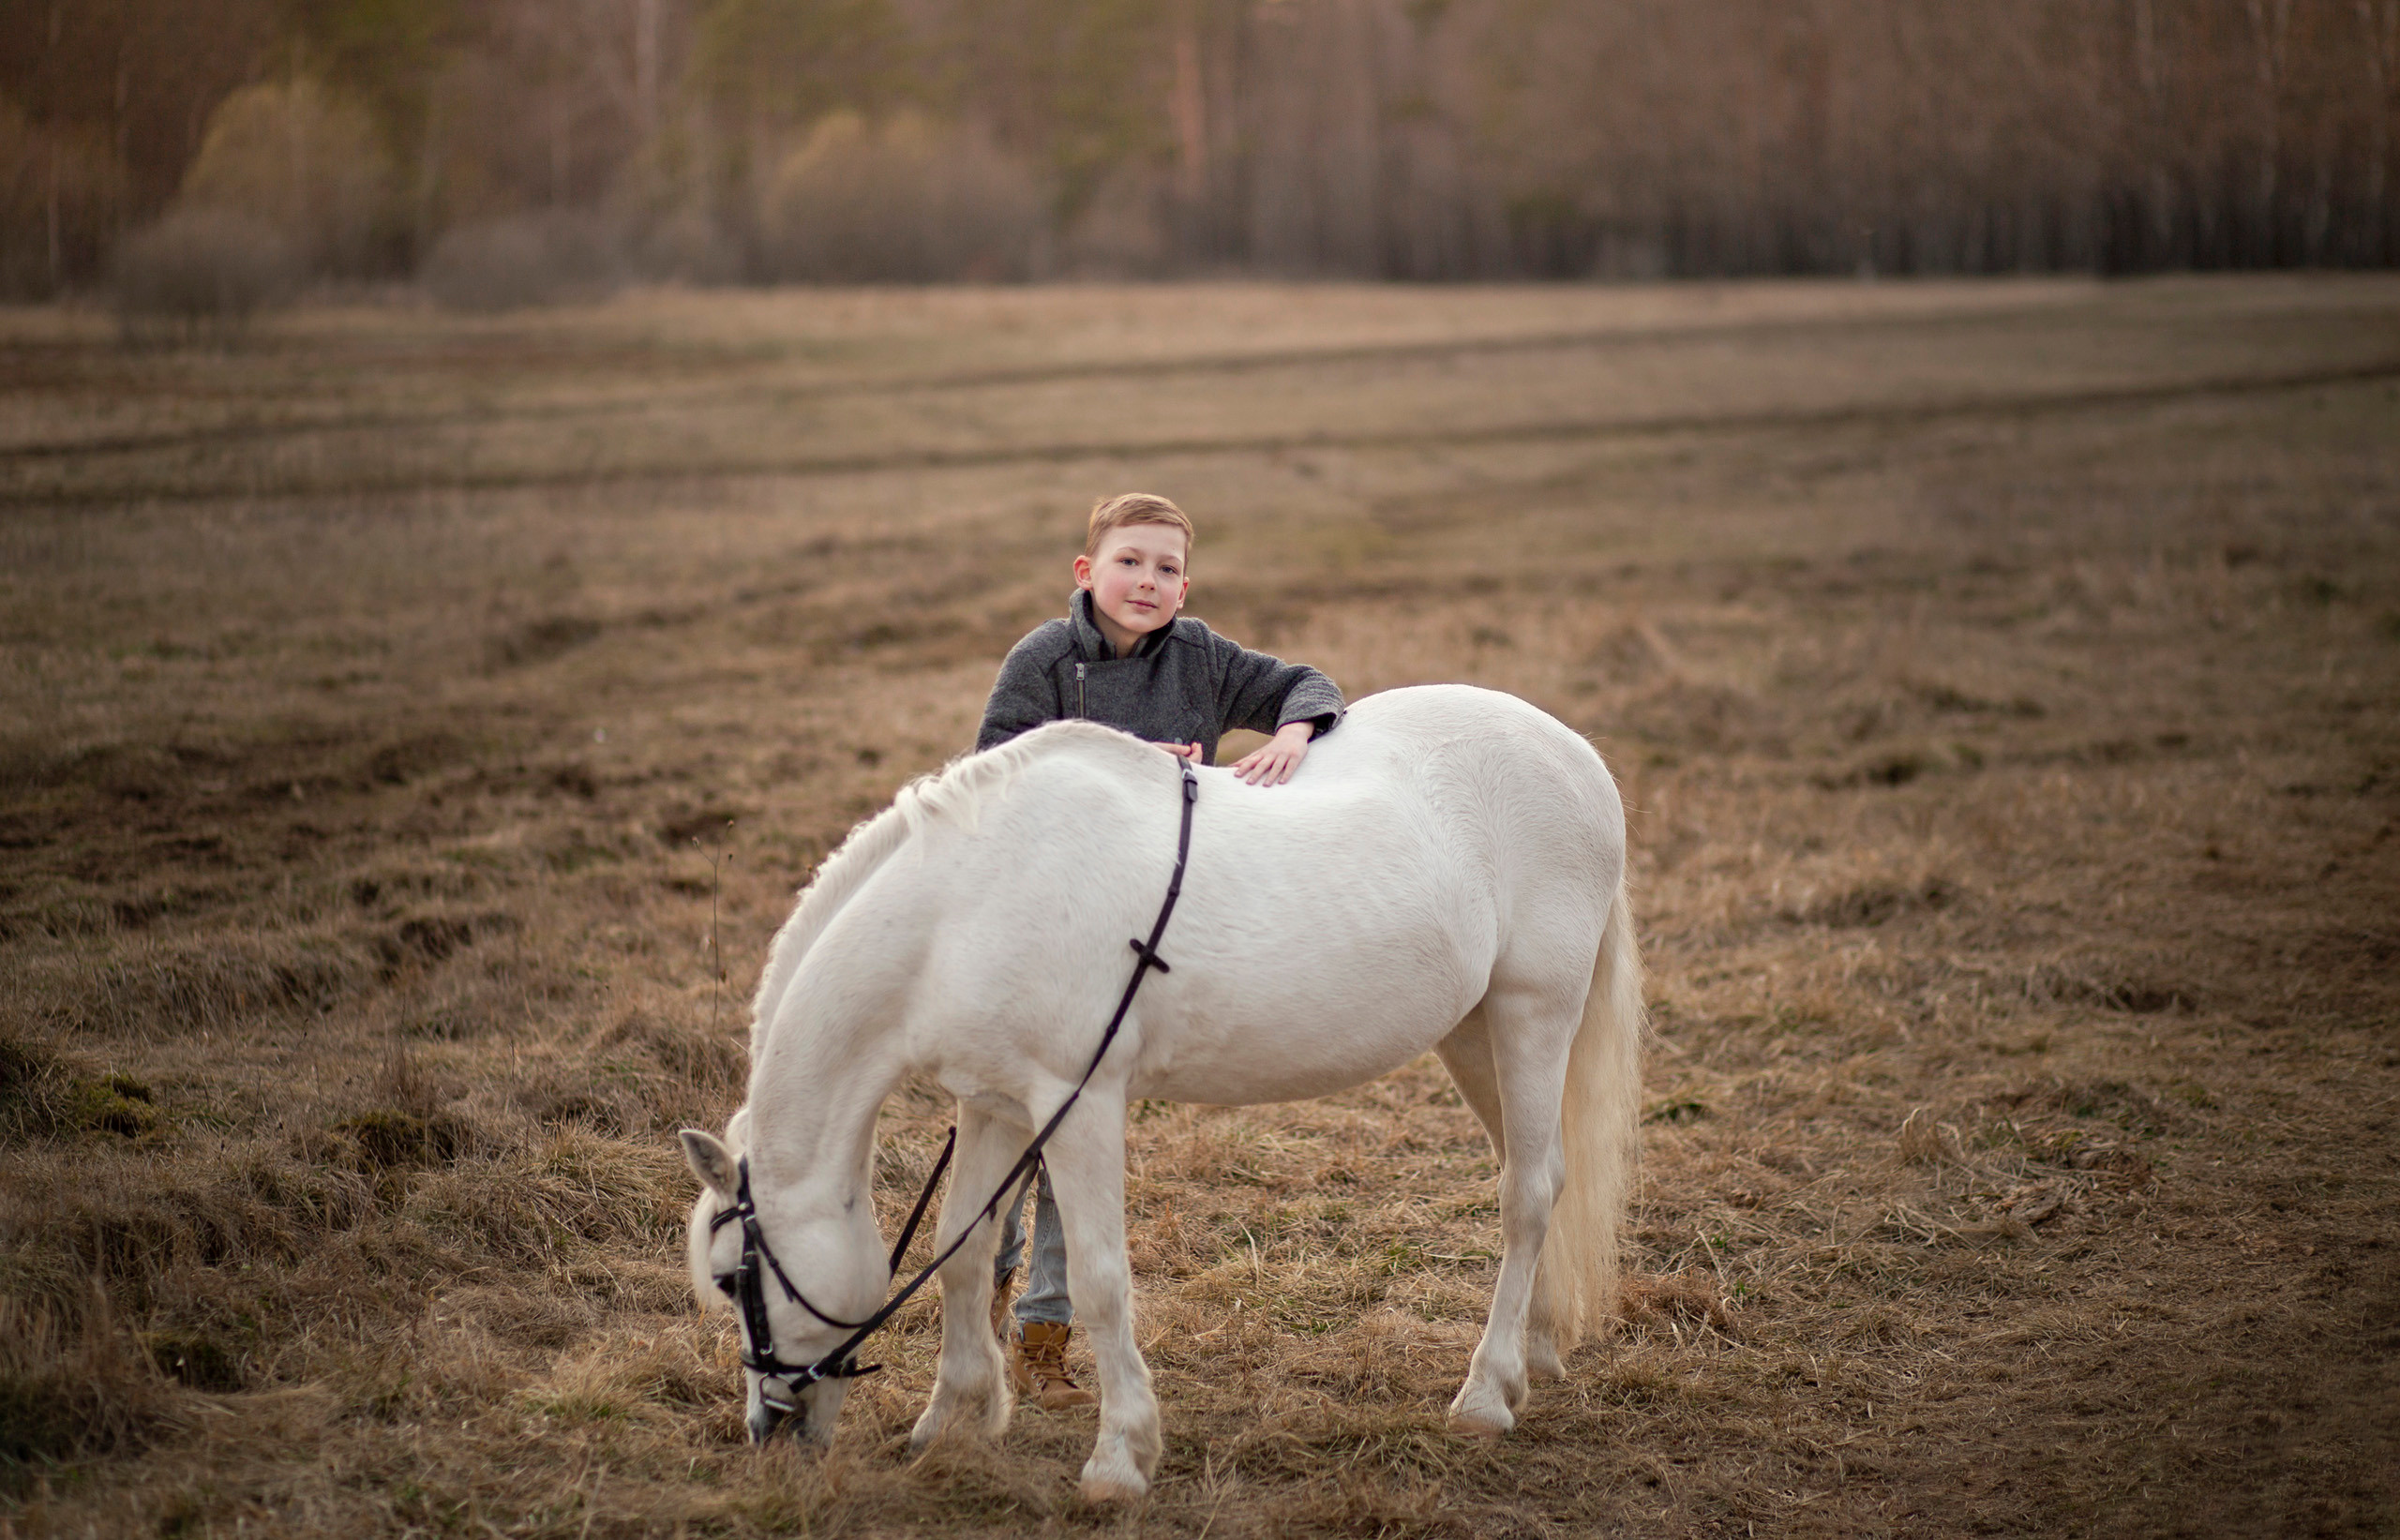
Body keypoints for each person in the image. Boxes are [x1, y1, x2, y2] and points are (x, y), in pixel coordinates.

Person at [973, 491, 1344, 1409]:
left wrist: (1293, 732)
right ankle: (978, 1314)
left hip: (1139, 936)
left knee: (1075, 1151)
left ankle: (1043, 1341)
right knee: (1002, 1144)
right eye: (1131, 560)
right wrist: (1134, 760)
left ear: (1187, 583)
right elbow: (986, 776)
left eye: (1168, 567)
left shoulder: (1203, 654)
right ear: (1085, 571)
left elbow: (1309, 683)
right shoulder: (1044, 660)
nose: (1148, 581)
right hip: (1039, 931)